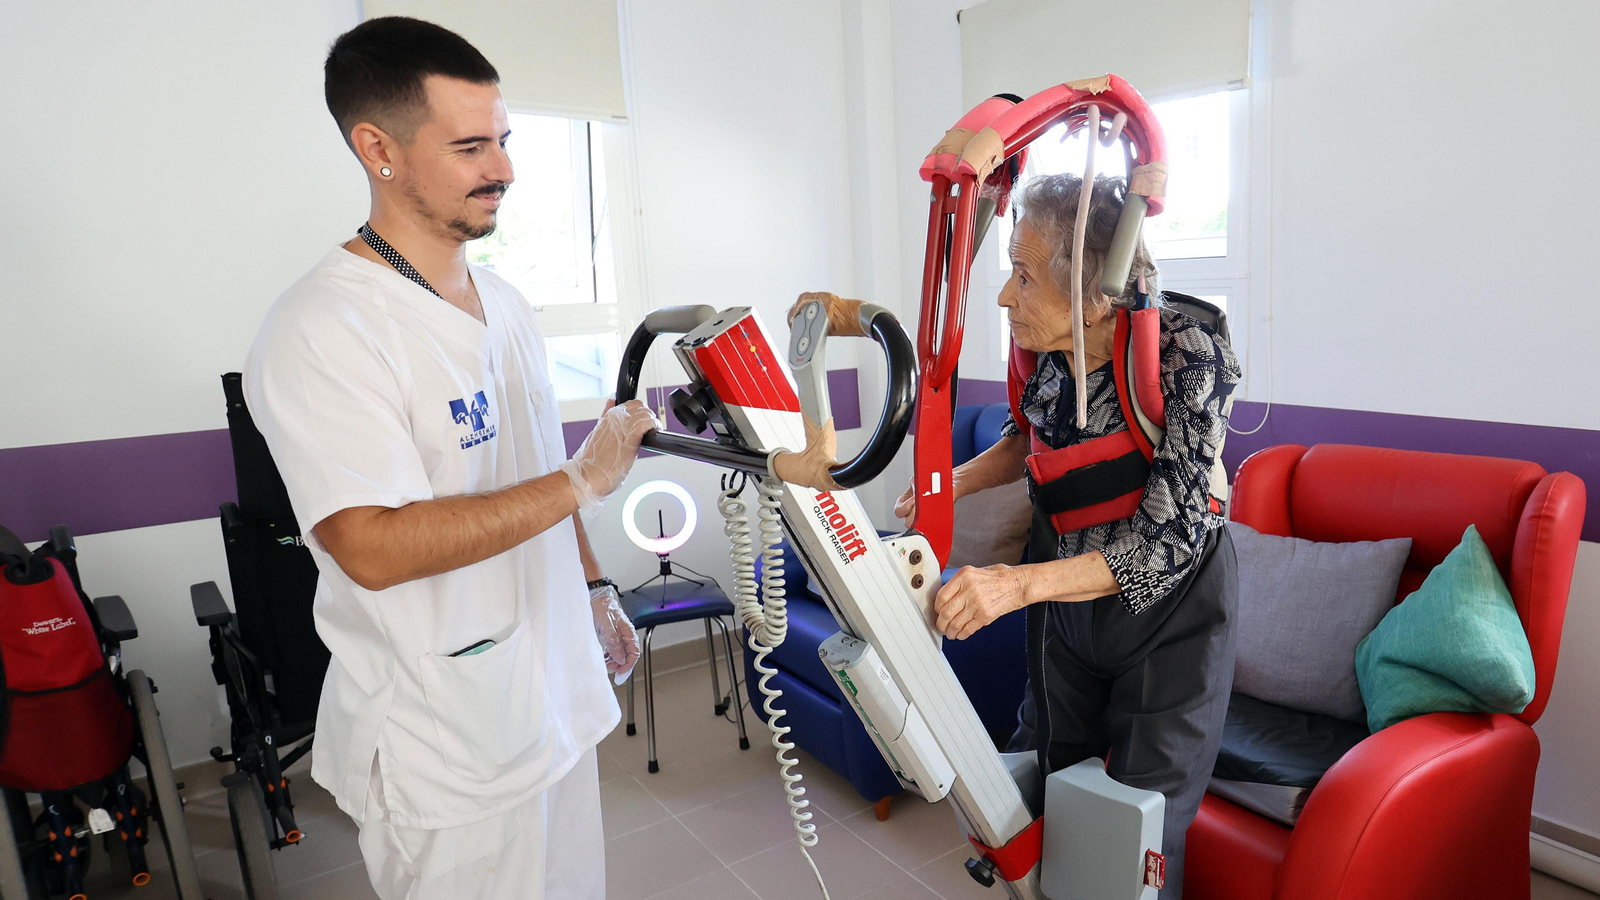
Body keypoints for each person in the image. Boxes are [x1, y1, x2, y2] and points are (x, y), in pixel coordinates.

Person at [244, 17, 654, 899]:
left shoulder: (504, 304)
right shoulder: (324, 328)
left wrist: (592, 589)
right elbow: (372, 546)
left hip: (555, 701)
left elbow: (539, 470)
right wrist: (584, 477)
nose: (503, 169)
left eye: (503, 140)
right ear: (378, 149)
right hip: (449, 746)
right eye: (471, 147)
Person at [897, 173, 1241, 898]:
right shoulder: (1044, 347)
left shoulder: (1188, 351)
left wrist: (1014, 585)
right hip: (1071, 606)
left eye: (1022, 276)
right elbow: (1028, 441)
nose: (1003, 297)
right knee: (1047, 791)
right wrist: (948, 482)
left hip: (1172, 618)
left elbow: (1167, 542)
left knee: (1134, 834)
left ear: (1093, 292)